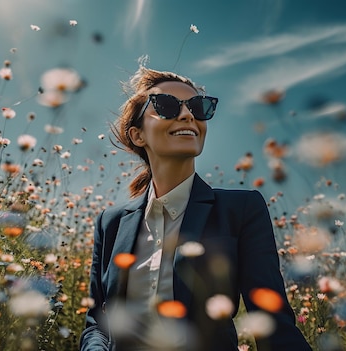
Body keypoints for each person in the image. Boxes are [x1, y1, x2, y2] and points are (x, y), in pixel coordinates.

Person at [80, 66, 311, 351]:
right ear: (138, 135)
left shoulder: (240, 210)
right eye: (166, 106)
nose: (188, 115)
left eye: (199, 107)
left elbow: (274, 326)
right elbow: (97, 325)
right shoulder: (111, 223)